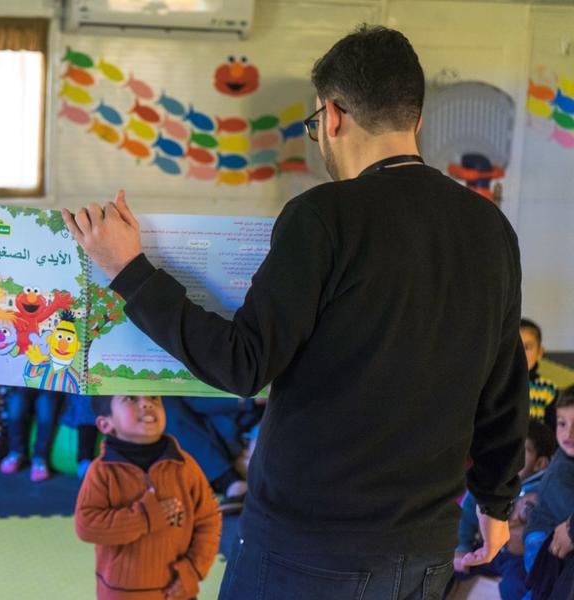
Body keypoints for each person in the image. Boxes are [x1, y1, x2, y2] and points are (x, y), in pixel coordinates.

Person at [63, 25, 528, 599]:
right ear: (417, 121)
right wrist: (496, 503)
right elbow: (504, 387)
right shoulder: (491, 229)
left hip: (310, 548)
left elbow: (243, 364)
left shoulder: (324, 215)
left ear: (332, 115)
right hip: (426, 549)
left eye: (315, 125)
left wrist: (128, 271)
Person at [75, 395, 221, 599]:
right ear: (105, 423)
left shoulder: (185, 466)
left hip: (177, 589)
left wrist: (193, 570)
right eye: (131, 399)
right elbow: (87, 526)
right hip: (122, 593)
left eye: (154, 398)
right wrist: (146, 517)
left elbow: (209, 520)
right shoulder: (101, 472)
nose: (147, 403)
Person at [452, 420, 557, 600]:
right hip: (484, 547)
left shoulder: (544, 491)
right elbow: (467, 513)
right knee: (446, 566)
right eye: (510, 447)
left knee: (515, 587)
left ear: (540, 464)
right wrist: (462, 547)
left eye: (523, 451)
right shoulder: (491, 477)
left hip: (516, 559)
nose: (512, 456)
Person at [163, 396, 263, 512]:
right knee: (167, 401)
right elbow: (196, 402)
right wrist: (248, 401)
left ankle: (228, 482)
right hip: (219, 421)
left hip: (249, 419)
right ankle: (227, 481)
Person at [523, 386, 574, 589]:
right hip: (541, 539)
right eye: (562, 424)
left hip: (557, 532)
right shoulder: (559, 472)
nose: (568, 433)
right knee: (543, 587)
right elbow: (569, 515)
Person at [0, 389, 65, 482]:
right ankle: (16, 452)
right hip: (23, 384)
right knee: (16, 402)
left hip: (49, 386)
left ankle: (40, 457)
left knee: (46, 405)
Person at [521, 318, 558, 428]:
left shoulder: (548, 388)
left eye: (527, 347)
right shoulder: (498, 384)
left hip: (538, 443)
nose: (521, 354)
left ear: (540, 352)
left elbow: (553, 429)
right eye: (514, 347)